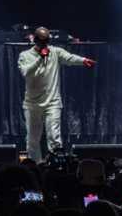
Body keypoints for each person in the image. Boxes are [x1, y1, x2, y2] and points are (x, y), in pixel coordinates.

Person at [17, 25, 96, 162]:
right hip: (32, 104)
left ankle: (54, 166)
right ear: (35, 40)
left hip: (52, 102)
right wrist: (40, 58)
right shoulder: (25, 55)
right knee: (32, 140)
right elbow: (26, 72)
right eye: (42, 42)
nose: (45, 44)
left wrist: (83, 61)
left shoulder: (55, 51)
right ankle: (36, 167)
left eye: (47, 41)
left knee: (54, 137)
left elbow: (69, 58)